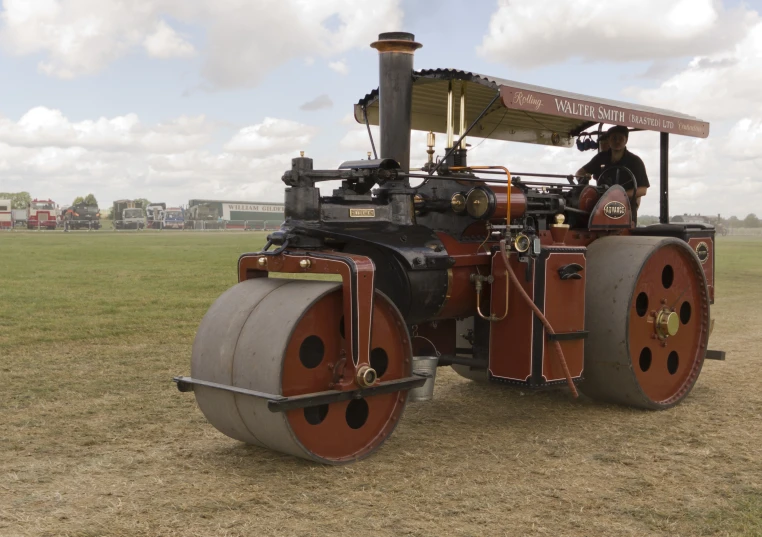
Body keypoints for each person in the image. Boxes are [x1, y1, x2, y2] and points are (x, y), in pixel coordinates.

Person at [576, 125, 649, 217]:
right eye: (614, 138)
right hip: (601, 207)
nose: (617, 141)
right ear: (609, 140)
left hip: (625, 209)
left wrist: (618, 195)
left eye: (620, 138)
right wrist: (583, 180)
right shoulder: (601, 158)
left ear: (626, 140)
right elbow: (579, 173)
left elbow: (643, 190)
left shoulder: (635, 161)